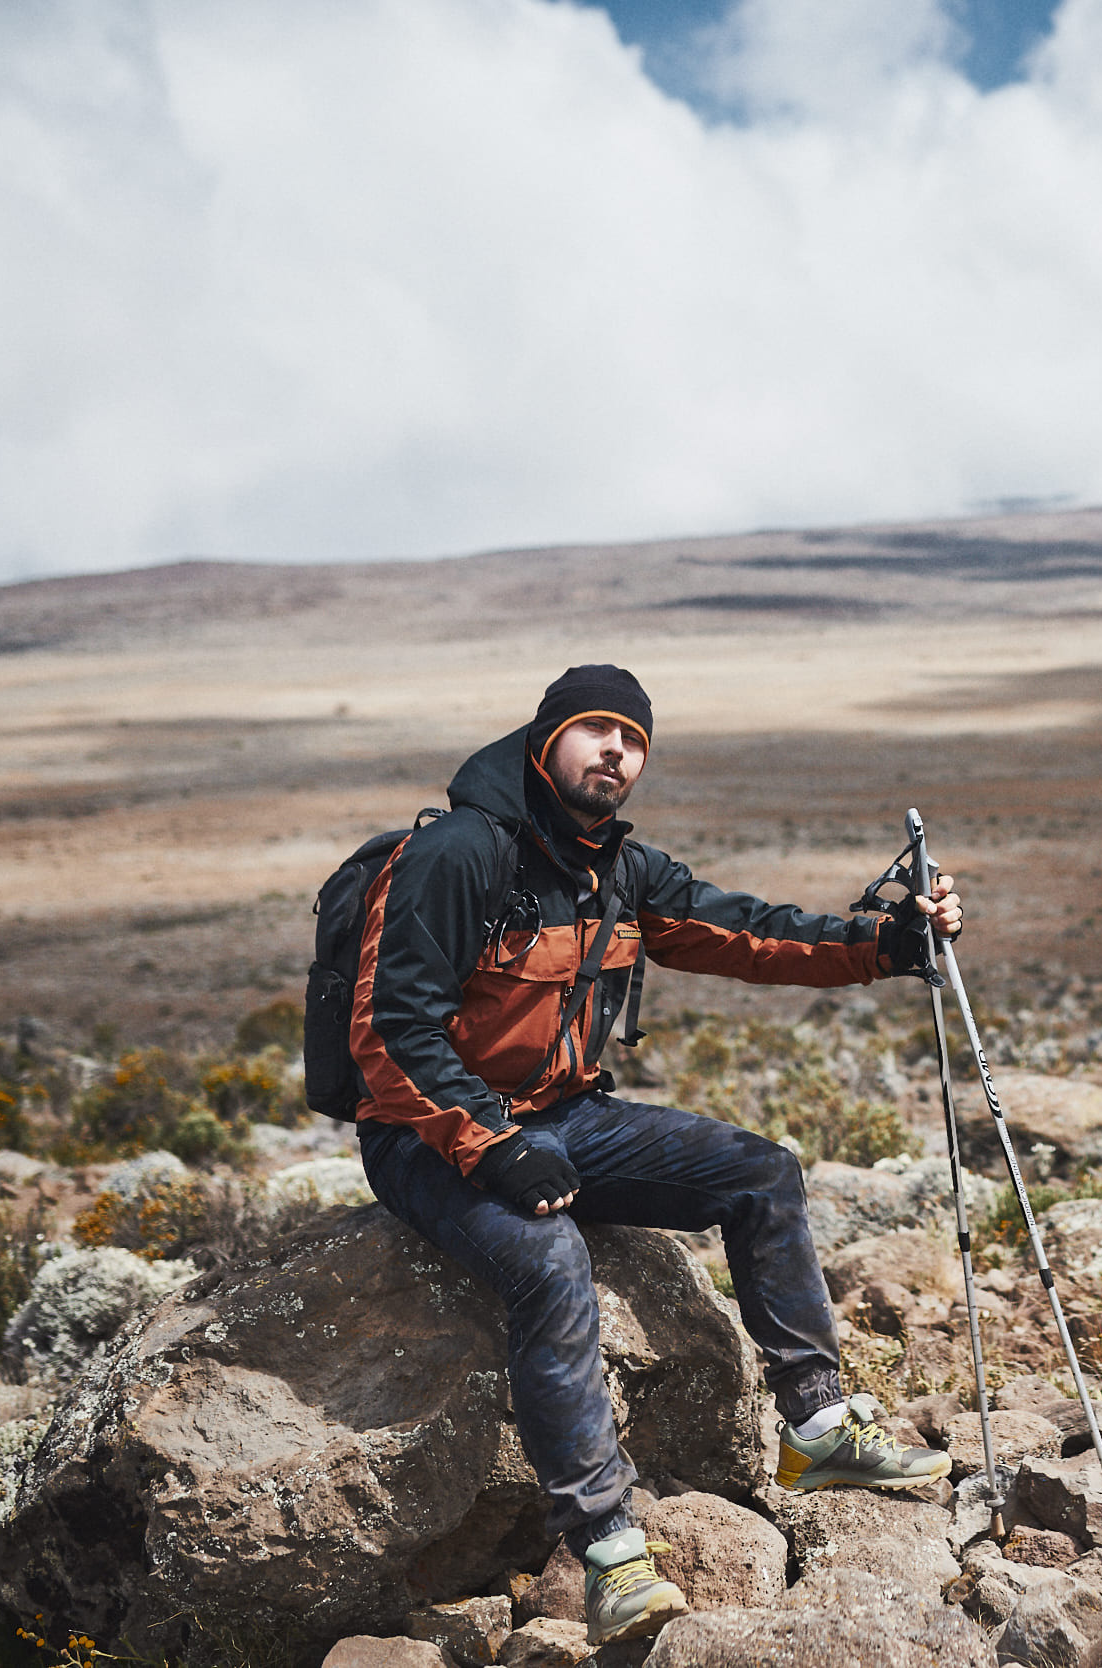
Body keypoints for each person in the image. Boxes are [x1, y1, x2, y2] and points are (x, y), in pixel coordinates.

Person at [349, 664, 958, 1646]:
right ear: (545, 739)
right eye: (597, 730)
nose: (617, 753)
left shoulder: (618, 870)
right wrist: (494, 1146)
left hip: (563, 1118)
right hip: (424, 1136)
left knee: (761, 1173)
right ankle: (610, 1555)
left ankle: (817, 1429)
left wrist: (886, 945)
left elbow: (748, 933)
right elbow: (390, 1030)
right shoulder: (459, 854)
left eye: (633, 740)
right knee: (552, 1259)